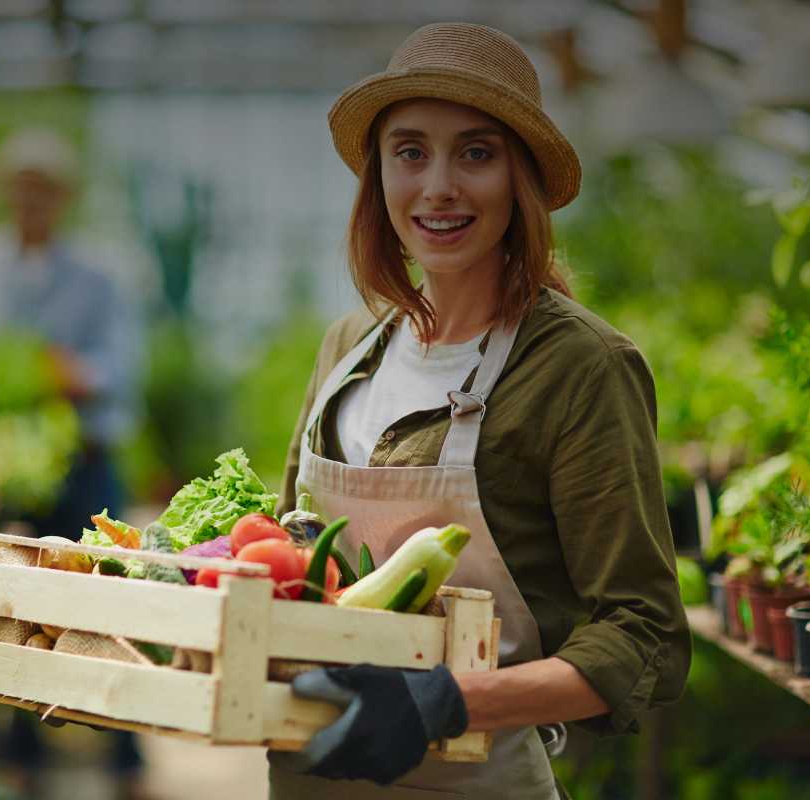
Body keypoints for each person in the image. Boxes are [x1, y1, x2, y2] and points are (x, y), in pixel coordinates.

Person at [270, 23, 691, 799]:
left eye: (476, 152)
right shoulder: (349, 347)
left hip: (477, 776)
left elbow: (643, 633)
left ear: (519, 179)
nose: (438, 187)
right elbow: (291, 565)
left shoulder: (577, 367)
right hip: (312, 767)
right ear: (378, 177)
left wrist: (446, 701)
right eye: (409, 151)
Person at [0, 128, 149, 800]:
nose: (31, 200)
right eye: (21, 187)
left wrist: (64, 372)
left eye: (44, 189)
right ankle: (22, 761)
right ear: (6, 193)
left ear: (63, 198)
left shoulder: (98, 274)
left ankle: (126, 760)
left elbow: (123, 369)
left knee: (109, 598)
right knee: (17, 607)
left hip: (87, 461)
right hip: (13, 467)